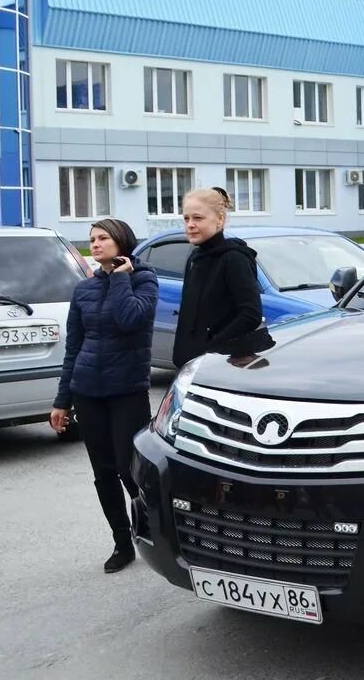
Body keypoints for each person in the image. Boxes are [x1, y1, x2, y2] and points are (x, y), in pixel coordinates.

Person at [49, 218, 159, 573]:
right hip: (87, 391)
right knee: (103, 472)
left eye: (103, 238)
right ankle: (121, 542)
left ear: (122, 242)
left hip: (126, 391)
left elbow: (129, 319)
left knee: (132, 471)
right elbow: (74, 347)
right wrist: (62, 400)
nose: (94, 244)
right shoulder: (83, 289)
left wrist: (121, 277)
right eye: (92, 239)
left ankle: (154, 535)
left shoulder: (144, 280)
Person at [172, 187, 271, 369]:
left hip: (223, 364)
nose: (190, 224)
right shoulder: (195, 258)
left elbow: (250, 314)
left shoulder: (234, 258)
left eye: (198, 218)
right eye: (186, 218)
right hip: (192, 365)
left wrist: (210, 347)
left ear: (220, 219)